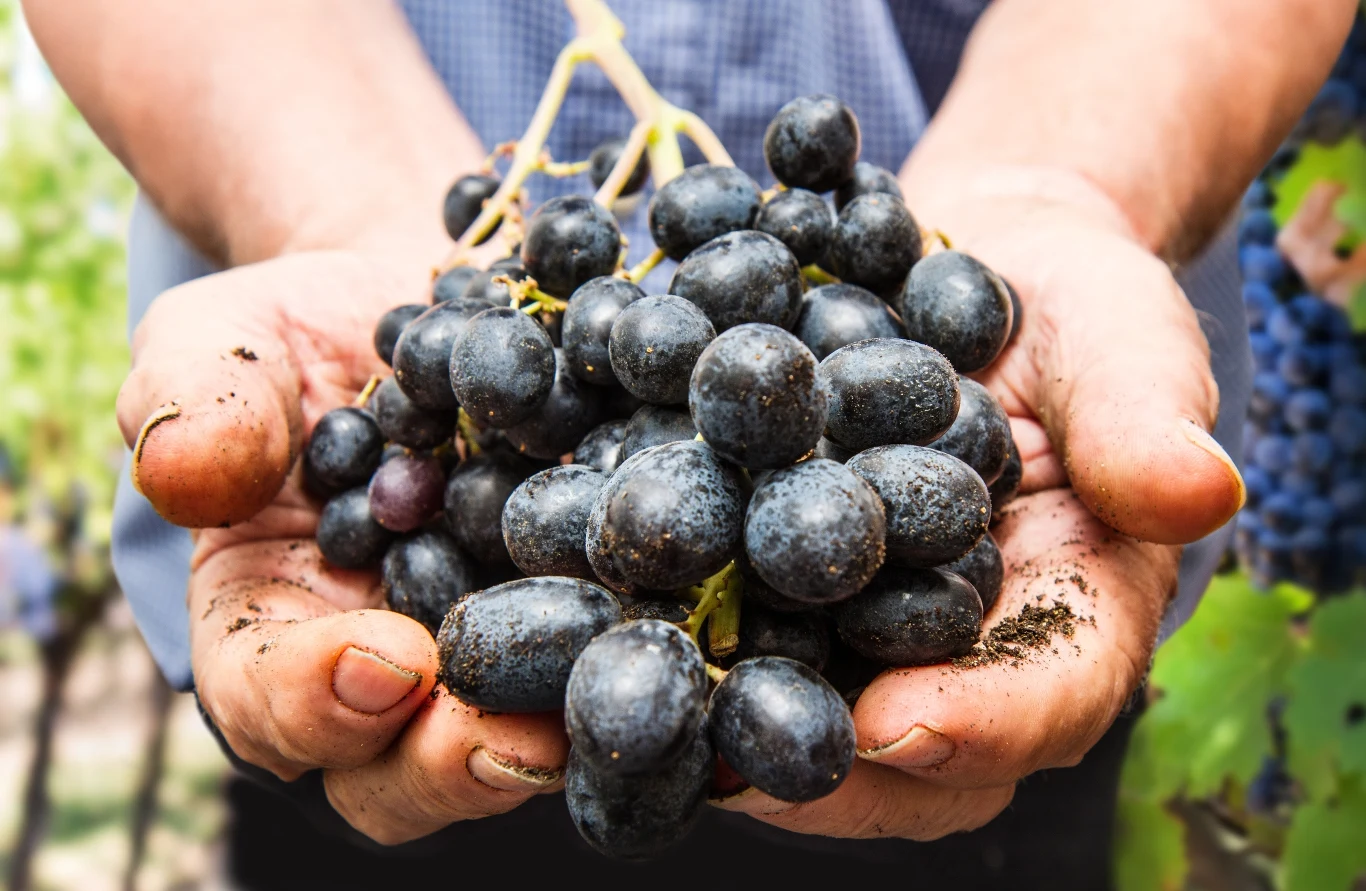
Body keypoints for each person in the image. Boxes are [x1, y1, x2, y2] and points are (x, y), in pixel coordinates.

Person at [24, 0, 1356, 886]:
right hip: (382, 710)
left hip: (989, 704)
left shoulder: (835, 413)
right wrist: (324, 197)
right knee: (398, 719)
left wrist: (1071, 183)